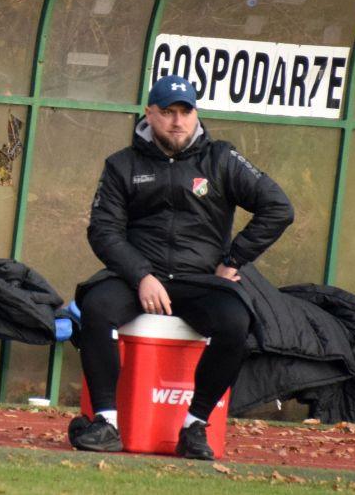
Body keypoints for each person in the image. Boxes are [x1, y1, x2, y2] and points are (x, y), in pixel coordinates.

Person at [68, 75, 294, 460]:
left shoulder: (221, 159)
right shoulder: (122, 165)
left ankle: (195, 426)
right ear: (149, 114)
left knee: (236, 321)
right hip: (139, 278)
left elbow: (279, 208)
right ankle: (106, 423)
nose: (178, 121)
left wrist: (233, 259)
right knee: (96, 307)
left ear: (195, 113)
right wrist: (141, 275)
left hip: (199, 279)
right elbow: (103, 231)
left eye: (185, 112)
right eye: (168, 112)